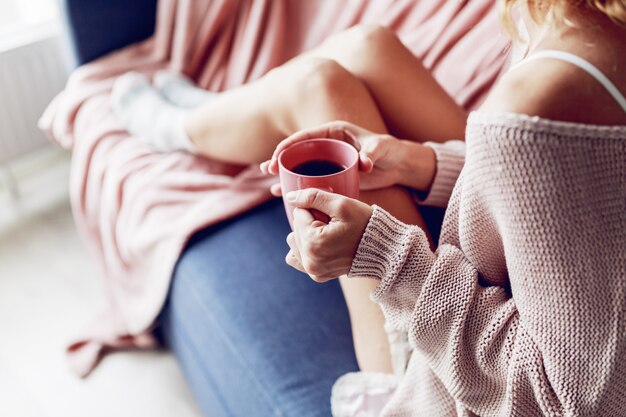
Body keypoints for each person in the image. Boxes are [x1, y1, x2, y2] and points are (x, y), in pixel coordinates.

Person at [260, 0, 626, 415]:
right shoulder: (602, 40)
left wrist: (385, 257)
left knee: (316, 85)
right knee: (366, 47)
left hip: (448, 391)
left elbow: (562, 403)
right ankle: (181, 124)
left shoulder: (538, 98)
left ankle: (178, 130)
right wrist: (423, 164)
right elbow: (588, 195)